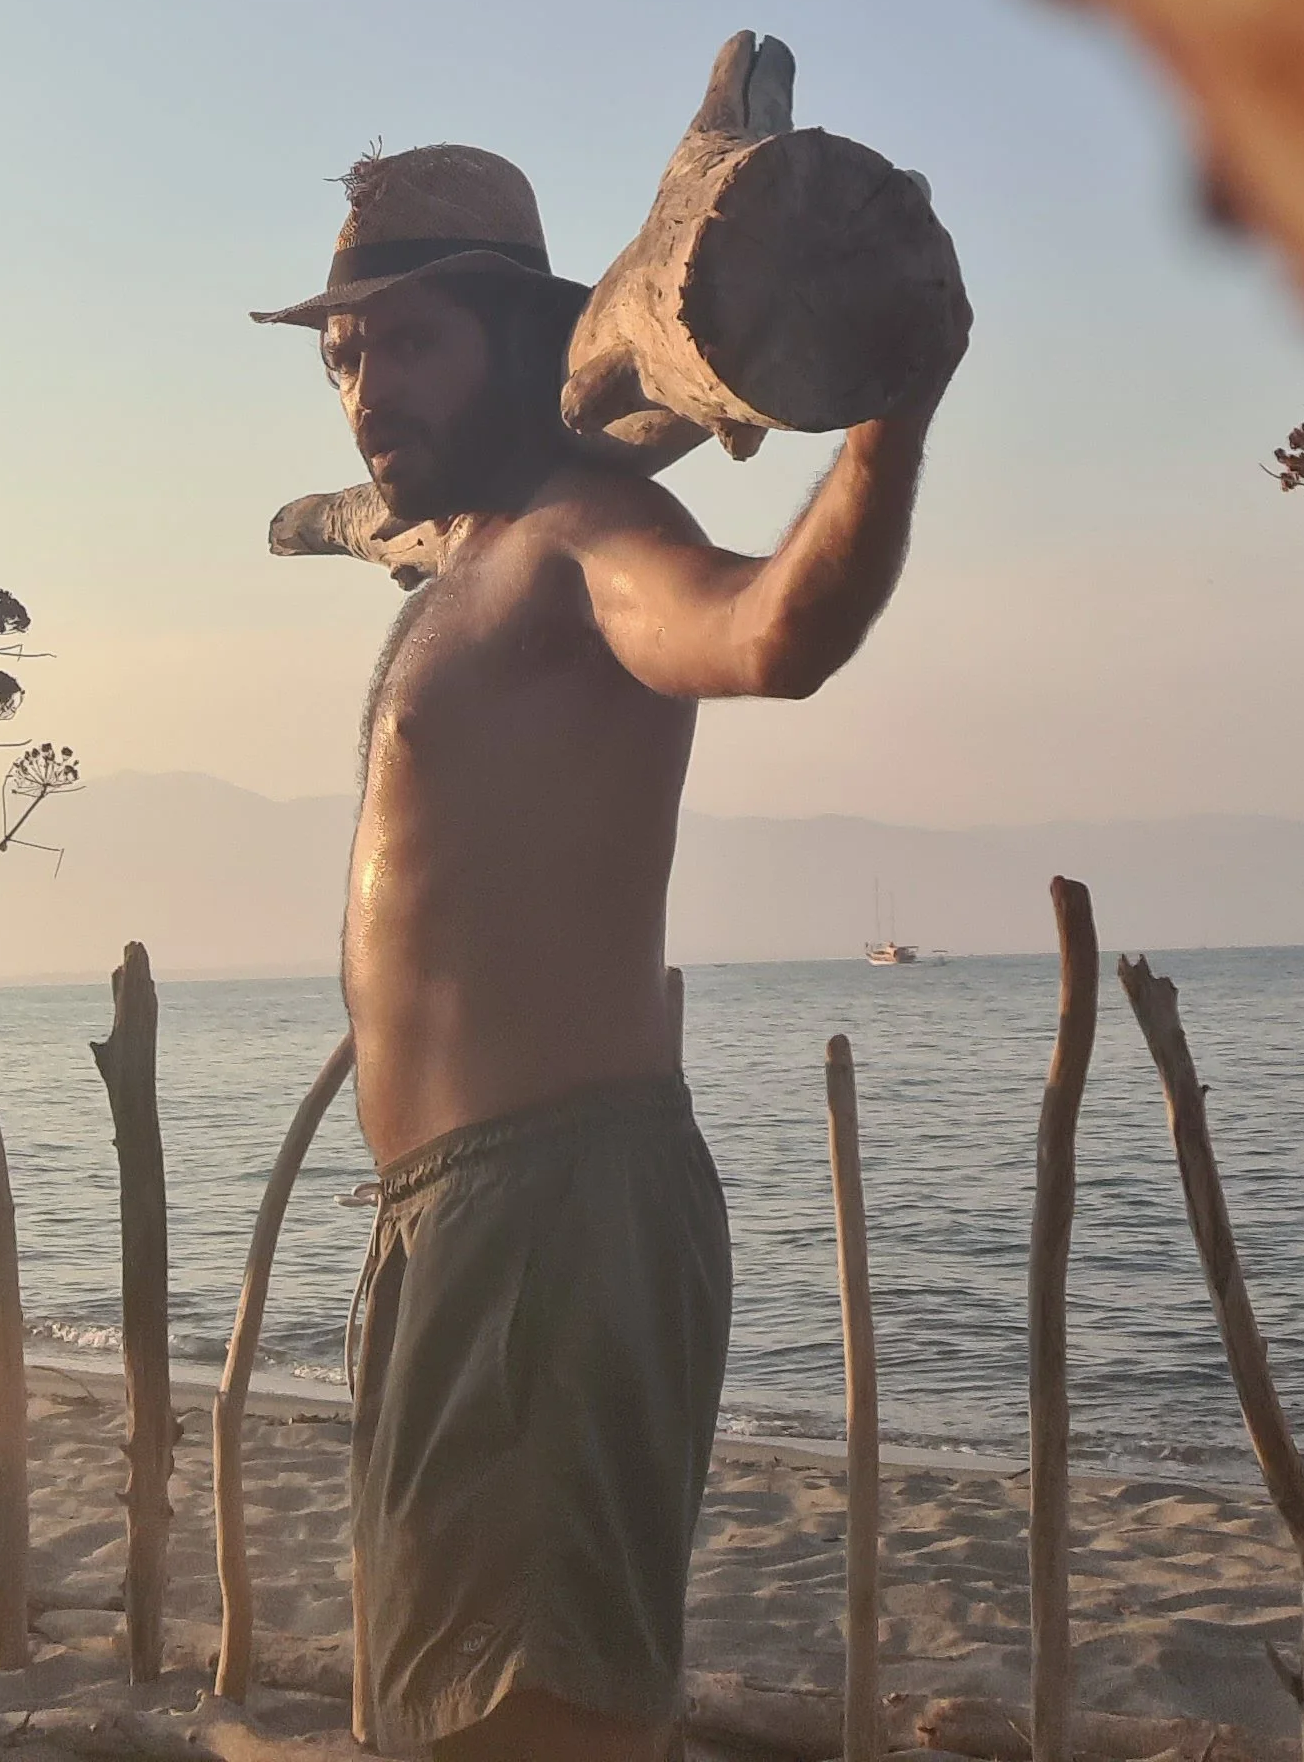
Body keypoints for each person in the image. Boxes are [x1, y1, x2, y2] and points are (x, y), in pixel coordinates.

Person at [254, 138, 967, 1762]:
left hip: (550, 1215)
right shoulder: (467, 559)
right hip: (446, 1225)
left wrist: (890, 414)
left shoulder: (586, 536)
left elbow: (770, 632)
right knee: (446, 1704)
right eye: (344, 351)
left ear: (521, 342)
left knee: (527, 1721)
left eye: (412, 342)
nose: (366, 390)